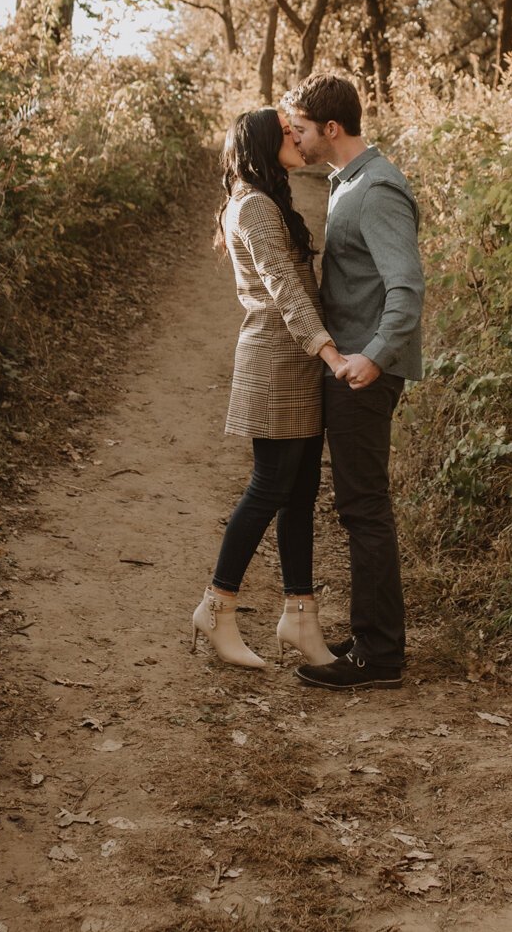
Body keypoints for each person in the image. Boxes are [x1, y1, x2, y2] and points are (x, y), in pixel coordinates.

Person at [279, 74, 424, 690]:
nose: (298, 140)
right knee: (358, 505)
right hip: (350, 367)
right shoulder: (349, 185)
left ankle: (380, 655)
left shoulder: (378, 190)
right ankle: (373, 637)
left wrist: (375, 355)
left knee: (365, 508)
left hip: (366, 372)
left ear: (330, 129)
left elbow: (407, 287)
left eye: (303, 130)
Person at [192, 108, 348, 670]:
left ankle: (300, 619)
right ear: (260, 142)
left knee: (301, 491)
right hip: (276, 362)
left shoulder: (265, 199)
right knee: (270, 486)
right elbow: (282, 285)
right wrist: (328, 350)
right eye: (284, 132)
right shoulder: (253, 206)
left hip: (295, 363)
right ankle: (216, 606)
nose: (295, 137)